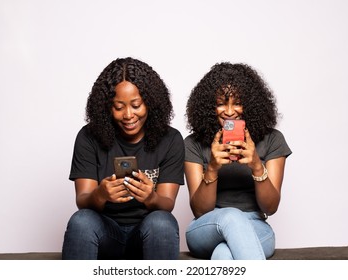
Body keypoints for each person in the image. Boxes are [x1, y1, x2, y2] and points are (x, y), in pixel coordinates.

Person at [62, 57, 184, 260]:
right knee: (81, 221)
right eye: (118, 107)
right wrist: (100, 194)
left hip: (147, 234)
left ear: (151, 103)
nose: (128, 115)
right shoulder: (88, 137)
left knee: (162, 222)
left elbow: (167, 202)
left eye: (136, 105)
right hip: (105, 233)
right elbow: (82, 199)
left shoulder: (170, 139)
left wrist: (150, 197)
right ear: (106, 107)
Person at [184, 62, 292, 260]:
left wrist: (257, 166)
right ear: (209, 106)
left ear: (251, 104)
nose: (229, 111)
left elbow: (270, 207)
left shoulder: (273, 140)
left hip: (255, 224)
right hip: (208, 225)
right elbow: (200, 210)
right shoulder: (193, 143)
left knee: (224, 255)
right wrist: (213, 169)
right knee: (231, 216)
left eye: (237, 103)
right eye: (221, 103)